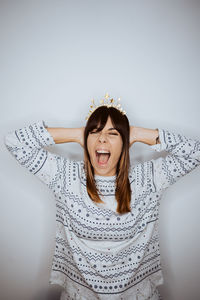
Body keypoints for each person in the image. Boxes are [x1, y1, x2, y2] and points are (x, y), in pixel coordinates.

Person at [4, 95, 200, 300]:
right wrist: (78, 133)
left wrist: (136, 133)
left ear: (125, 142)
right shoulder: (64, 175)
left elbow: (196, 152)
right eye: (95, 132)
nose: (103, 139)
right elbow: (14, 142)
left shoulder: (150, 177)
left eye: (113, 133)